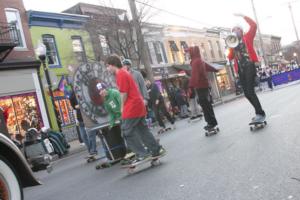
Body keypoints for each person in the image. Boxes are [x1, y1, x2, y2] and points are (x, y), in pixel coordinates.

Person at [105, 55, 165, 163]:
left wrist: (122, 108)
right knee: (142, 130)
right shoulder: (124, 73)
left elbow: (123, 94)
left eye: (108, 66)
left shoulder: (121, 74)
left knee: (126, 131)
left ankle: (142, 154)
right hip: (138, 105)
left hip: (132, 107)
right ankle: (156, 149)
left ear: (113, 65)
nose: (107, 69)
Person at [227, 13, 266, 123]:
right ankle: (259, 112)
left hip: (249, 66)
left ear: (241, 30)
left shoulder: (247, 37)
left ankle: (260, 113)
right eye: (233, 30)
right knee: (247, 94)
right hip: (240, 69)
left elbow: (253, 25)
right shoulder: (233, 43)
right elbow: (230, 57)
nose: (235, 31)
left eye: (237, 29)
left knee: (250, 91)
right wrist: (230, 46)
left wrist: (243, 16)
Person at [188, 46, 219, 130]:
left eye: (189, 52)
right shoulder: (199, 60)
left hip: (201, 87)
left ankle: (210, 123)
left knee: (205, 106)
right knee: (207, 105)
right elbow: (207, 66)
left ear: (192, 53)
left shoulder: (195, 62)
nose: (188, 54)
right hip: (204, 86)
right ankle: (212, 122)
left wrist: (191, 87)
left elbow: (194, 75)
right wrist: (215, 69)